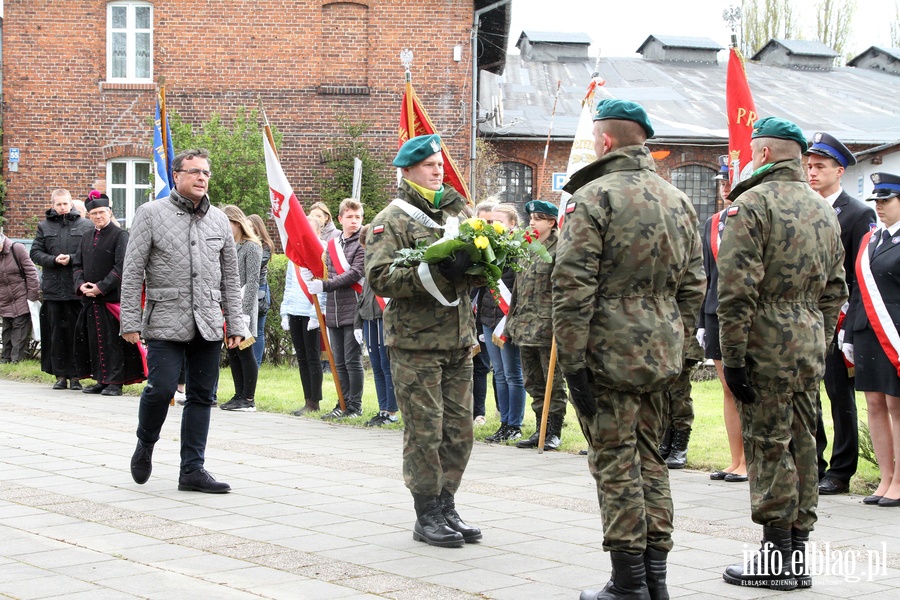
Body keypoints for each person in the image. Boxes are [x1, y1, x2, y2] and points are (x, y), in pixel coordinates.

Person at [552, 99, 704, 600]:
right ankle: (654, 580)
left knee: (616, 461)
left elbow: (573, 285)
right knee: (651, 460)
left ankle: (628, 584)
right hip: (661, 350)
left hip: (608, 352)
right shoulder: (678, 200)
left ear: (606, 141)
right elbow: (693, 285)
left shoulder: (593, 198)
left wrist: (572, 360)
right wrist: (677, 346)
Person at [717, 117, 847, 589]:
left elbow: (735, 291)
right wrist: (819, 334)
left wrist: (732, 357)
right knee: (803, 442)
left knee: (769, 445)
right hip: (808, 337)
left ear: (765, 154)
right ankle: (797, 552)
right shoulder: (823, 208)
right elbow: (836, 287)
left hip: (764, 340)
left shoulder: (751, 205)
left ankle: (778, 560)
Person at [365, 133, 481, 548]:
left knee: (459, 431)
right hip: (415, 344)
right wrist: (438, 271)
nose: (438, 170)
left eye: (439, 164)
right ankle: (426, 513)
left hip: (458, 340)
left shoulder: (457, 212)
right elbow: (380, 277)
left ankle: (447, 503)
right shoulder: (391, 219)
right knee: (425, 431)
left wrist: (476, 267)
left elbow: (476, 273)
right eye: (429, 165)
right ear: (408, 170)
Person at [121, 148, 248, 494]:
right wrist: (129, 321)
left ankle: (192, 469)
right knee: (160, 388)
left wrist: (236, 324)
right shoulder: (150, 214)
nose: (201, 178)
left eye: (206, 172)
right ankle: (146, 442)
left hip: (207, 321)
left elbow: (230, 279)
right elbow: (132, 273)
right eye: (194, 172)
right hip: (164, 319)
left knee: (202, 396)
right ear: (176, 176)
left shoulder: (220, 219)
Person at [806, 132, 877, 497]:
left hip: (838, 316)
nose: (812, 172)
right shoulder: (804, 206)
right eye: (808, 166)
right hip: (804, 318)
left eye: (820, 166)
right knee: (808, 395)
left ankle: (841, 469)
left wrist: (847, 319)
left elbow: (860, 270)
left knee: (838, 394)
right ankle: (812, 463)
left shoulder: (858, 212)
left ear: (840, 170)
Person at [844, 172, 900, 508]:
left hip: (895, 333)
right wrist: (849, 332)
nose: (880, 206)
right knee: (875, 406)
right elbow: (857, 290)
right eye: (877, 201)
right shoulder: (871, 240)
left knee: (897, 406)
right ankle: (886, 477)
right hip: (867, 331)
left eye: (887, 200)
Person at [507, 200, 568, 451]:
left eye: (538, 219)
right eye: (531, 218)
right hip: (525, 325)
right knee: (533, 381)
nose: (532, 222)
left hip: (548, 328)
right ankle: (538, 428)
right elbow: (517, 289)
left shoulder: (560, 249)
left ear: (552, 222)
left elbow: (565, 290)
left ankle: (552, 431)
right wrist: (511, 319)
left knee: (553, 381)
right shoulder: (527, 247)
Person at [72, 193, 146, 396]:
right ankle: (101, 379)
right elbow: (77, 264)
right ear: (89, 216)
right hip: (91, 300)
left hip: (111, 298)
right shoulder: (86, 236)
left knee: (113, 342)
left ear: (109, 212)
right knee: (94, 341)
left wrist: (101, 287)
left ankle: (116, 381)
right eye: (94, 213)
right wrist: (82, 285)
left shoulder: (120, 235)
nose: (98, 216)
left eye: (101, 212)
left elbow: (122, 266)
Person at [697, 195, 747, 482]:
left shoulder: (753, 216)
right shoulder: (713, 223)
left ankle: (750, 461)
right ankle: (736, 459)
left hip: (745, 312)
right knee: (728, 388)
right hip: (716, 312)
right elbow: (707, 273)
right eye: (725, 180)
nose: (728, 187)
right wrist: (703, 319)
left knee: (745, 386)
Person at [307, 198, 365, 419]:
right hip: (334, 309)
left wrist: (326, 285)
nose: (354, 221)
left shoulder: (362, 243)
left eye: (357, 217)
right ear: (340, 219)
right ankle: (342, 402)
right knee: (338, 361)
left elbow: (355, 273)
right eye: (349, 217)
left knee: (352, 360)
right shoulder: (332, 244)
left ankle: (354, 406)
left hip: (354, 308)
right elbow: (329, 272)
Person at [30, 189, 93, 390]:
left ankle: (76, 375)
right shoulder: (44, 226)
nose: (63, 208)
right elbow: (35, 253)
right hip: (53, 289)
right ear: (53, 205)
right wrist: (53, 260)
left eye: (65, 204)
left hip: (76, 288)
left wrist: (72, 259)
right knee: (55, 334)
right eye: (59, 204)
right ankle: (60, 375)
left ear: (71, 204)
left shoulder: (85, 225)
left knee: (77, 334)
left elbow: (90, 252)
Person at [481, 203, 526, 443]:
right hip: (489, 316)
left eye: (499, 221)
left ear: (512, 224)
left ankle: (515, 424)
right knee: (497, 372)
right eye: (490, 221)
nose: (493, 225)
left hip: (508, 317)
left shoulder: (519, 249)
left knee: (512, 373)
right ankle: (504, 422)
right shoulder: (486, 247)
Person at [219, 205, 262, 413]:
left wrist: (244, 312)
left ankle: (248, 397)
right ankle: (238, 394)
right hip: (230, 308)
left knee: (245, 352)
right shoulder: (230, 246)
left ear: (236, 223)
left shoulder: (251, 247)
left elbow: (253, 281)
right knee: (233, 353)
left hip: (244, 309)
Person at [354, 224, 399, 427]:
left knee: (386, 365)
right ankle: (382, 409)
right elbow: (363, 293)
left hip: (384, 316)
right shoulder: (368, 260)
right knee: (377, 366)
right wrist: (358, 322)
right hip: (369, 316)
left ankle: (391, 411)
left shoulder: (389, 258)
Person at [657, 340, 703, 469]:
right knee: (663, 396)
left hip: (682, 345)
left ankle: (680, 447)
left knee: (679, 396)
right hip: (663, 344)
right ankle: (666, 444)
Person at [471, 200, 497, 426]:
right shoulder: (468, 244)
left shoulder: (502, 247)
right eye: (483, 221)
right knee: (474, 363)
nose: (487, 226)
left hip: (493, 313)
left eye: (492, 221)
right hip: (471, 311)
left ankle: (498, 412)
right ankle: (474, 411)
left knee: (493, 366)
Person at [0, 229, 40, 363]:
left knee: (19, 329)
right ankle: (5, 359)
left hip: (21, 295)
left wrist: (32, 296)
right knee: (7, 329)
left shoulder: (16, 249)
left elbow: (31, 272)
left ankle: (16, 360)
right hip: (4, 298)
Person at [248, 214, 276, 367]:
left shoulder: (265, 245)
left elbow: (255, 265)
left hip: (260, 290)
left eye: (251, 227)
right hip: (245, 289)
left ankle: (255, 364)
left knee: (258, 329)